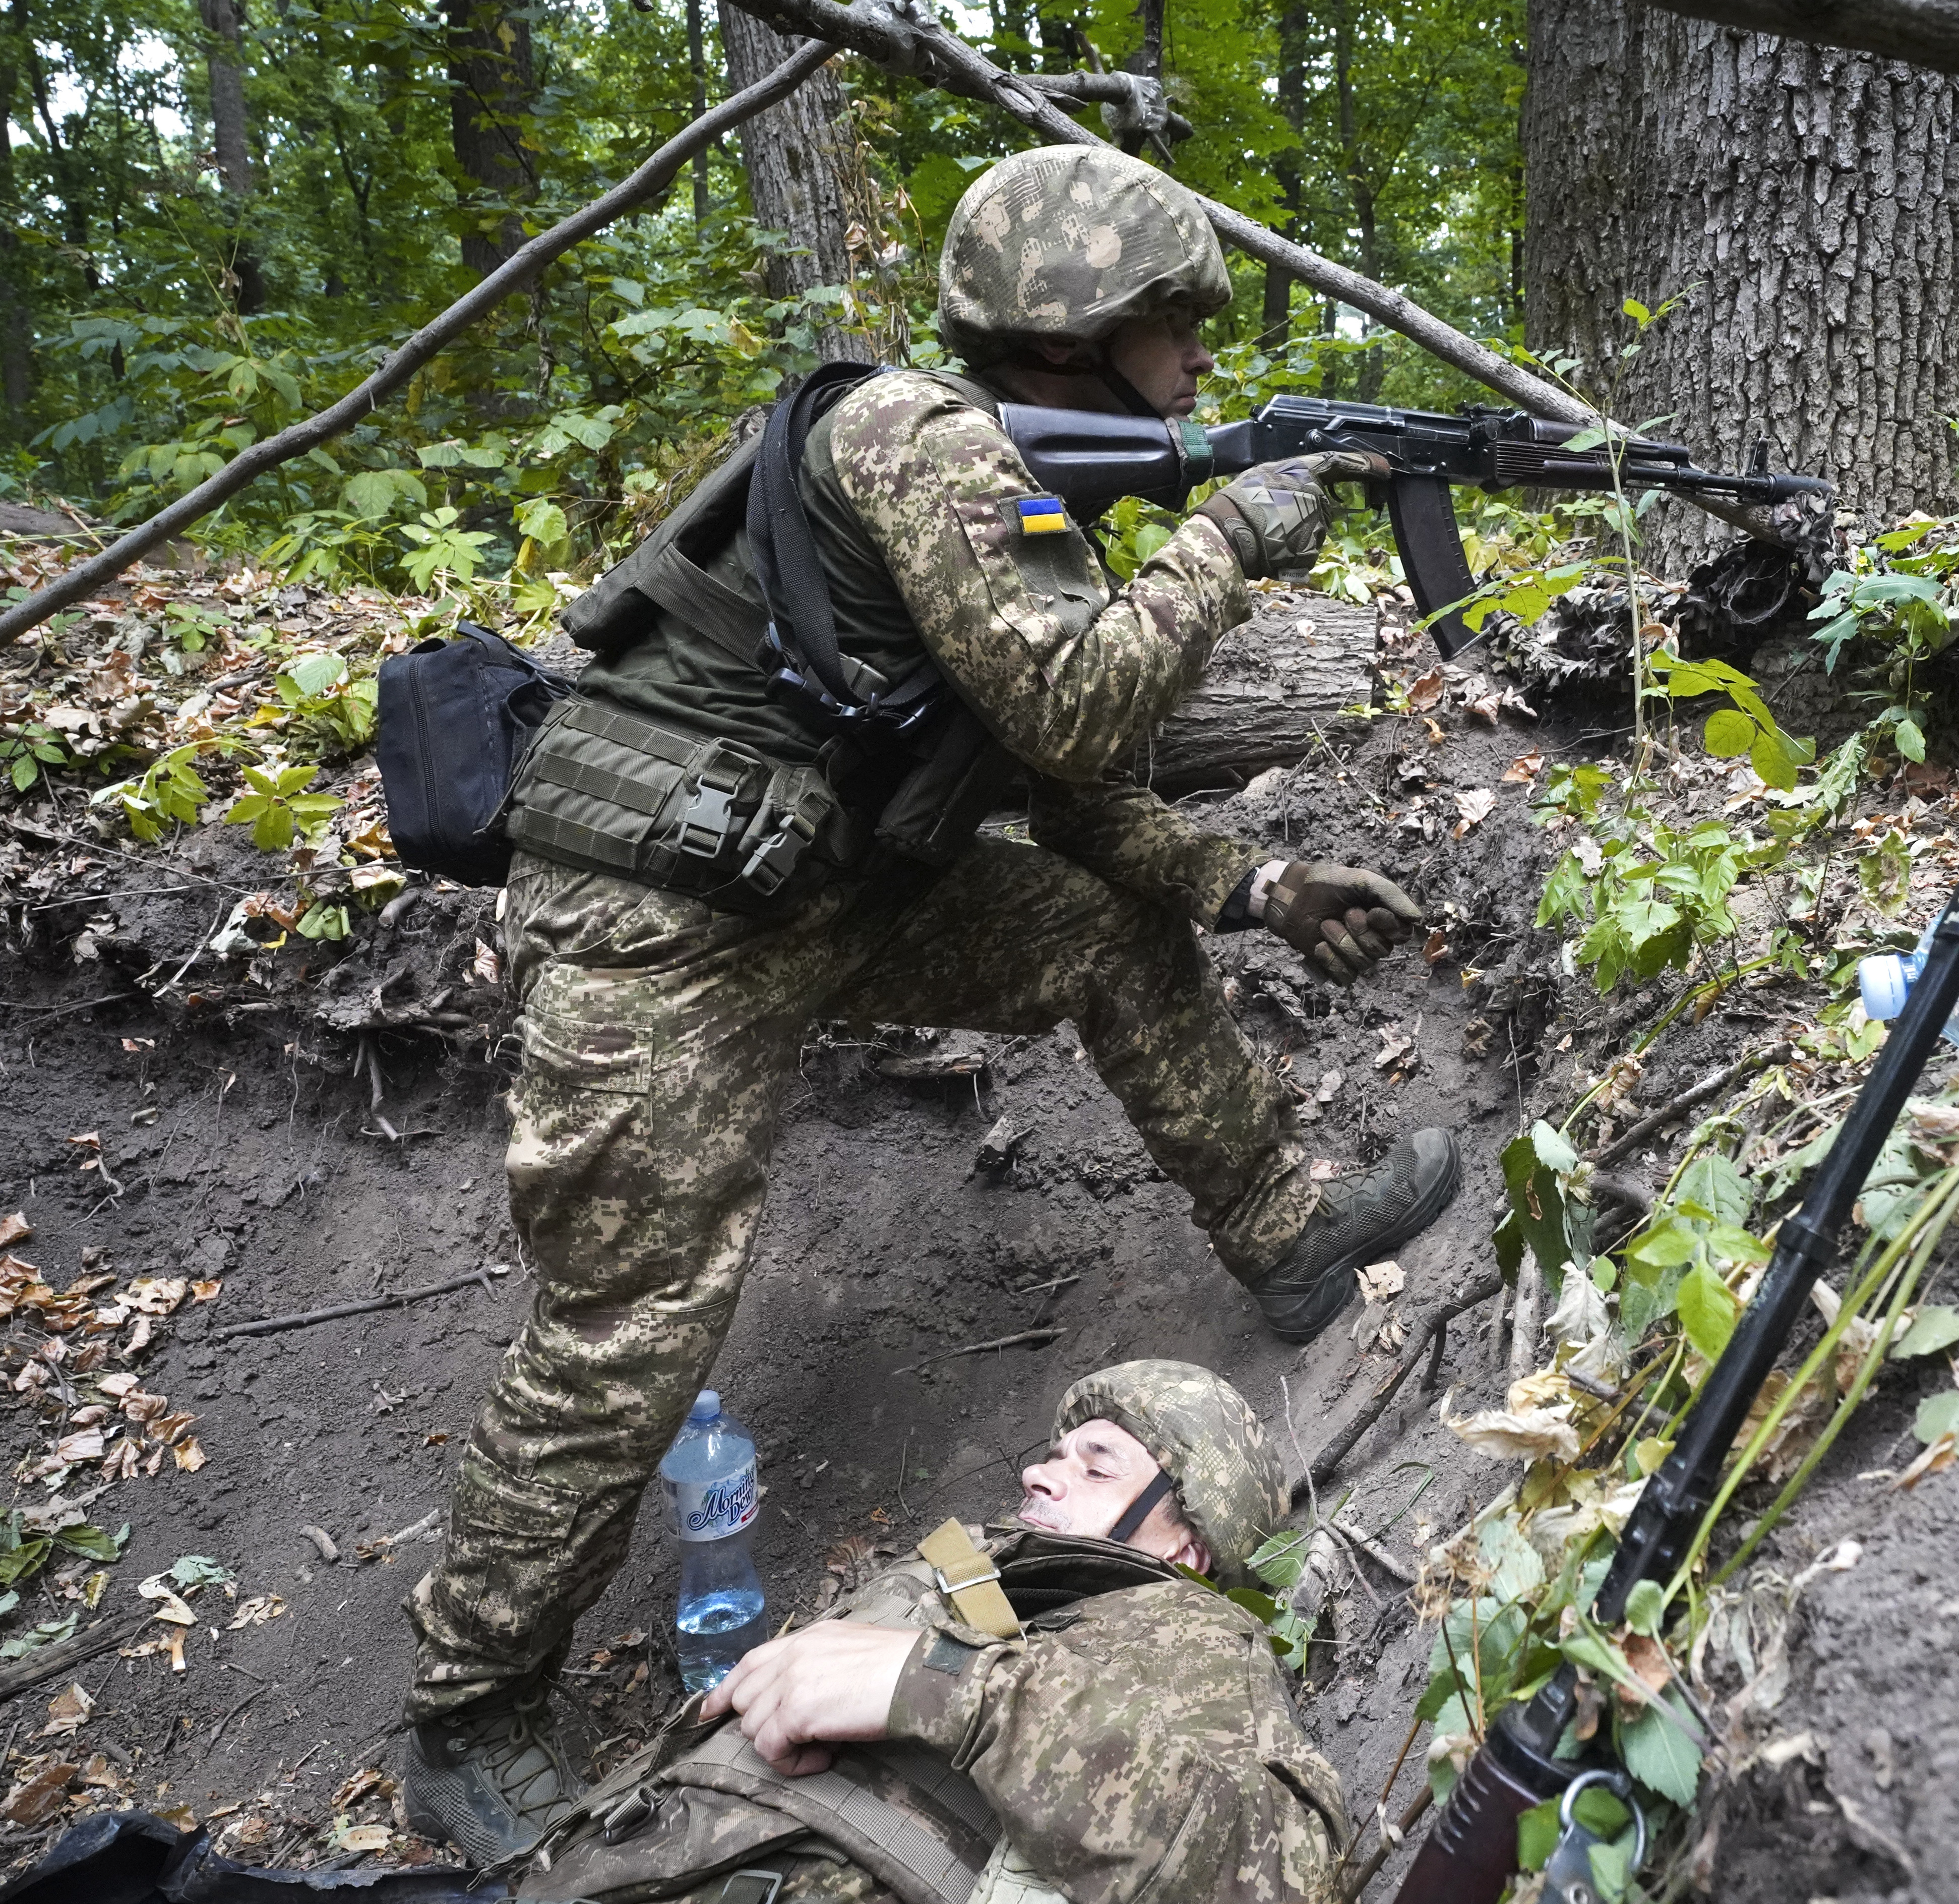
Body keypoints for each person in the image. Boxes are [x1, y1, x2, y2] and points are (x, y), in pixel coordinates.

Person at [401, 142, 1461, 1860]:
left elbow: (1056, 780)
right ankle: (466, 1706)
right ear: (1076, 328)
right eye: (1177, 324)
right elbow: (1072, 696)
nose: (1200, 359)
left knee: (1099, 929)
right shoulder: (919, 435)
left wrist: (1243, 885)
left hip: (816, 886)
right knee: (632, 1326)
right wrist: (1224, 540)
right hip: (655, 930)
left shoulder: (1012, 477)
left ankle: (1286, 1228)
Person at [513, 1360, 1345, 1904]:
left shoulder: (1193, 1638)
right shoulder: (975, 1576)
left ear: (1186, 1544)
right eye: (1053, 1453)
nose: (1039, 1470)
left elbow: (1282, 1871)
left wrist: (948, 1686)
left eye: (1097, 1465)